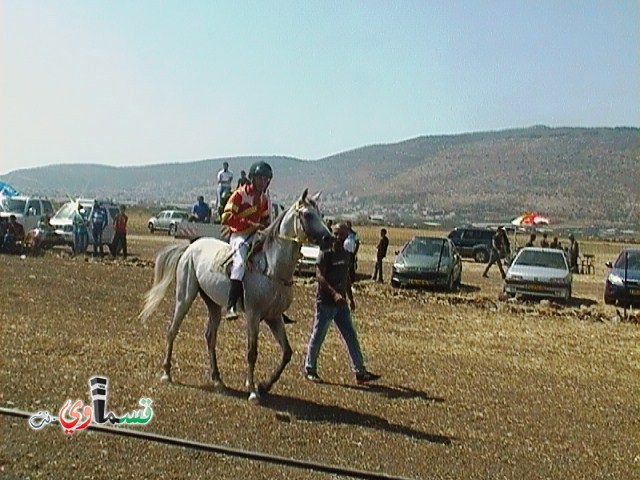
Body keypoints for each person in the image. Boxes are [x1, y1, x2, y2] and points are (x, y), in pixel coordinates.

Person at [304, 222, 380, 385]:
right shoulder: (326, 253)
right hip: (325, 303)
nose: (339, 237)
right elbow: (320, 277)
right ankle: (310, 368)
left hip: (341, 305)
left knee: (351, 336)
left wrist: (350, 298)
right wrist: (334, 294)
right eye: (337, 234)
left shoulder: (345, 255)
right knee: (318, 336)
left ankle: (360, 371)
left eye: (343, 235)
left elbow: (346, 278)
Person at [221, 160, 273, 320]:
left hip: (256, 236)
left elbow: (265, 220)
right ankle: (231, 305)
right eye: (260, 179)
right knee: (240, 263)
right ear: (252, 178)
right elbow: (226, 217)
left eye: (266, 179)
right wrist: (251, 224)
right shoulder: (239, 194)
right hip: (240, 235)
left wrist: (265, 227)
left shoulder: (264, 199)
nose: (263, 182)